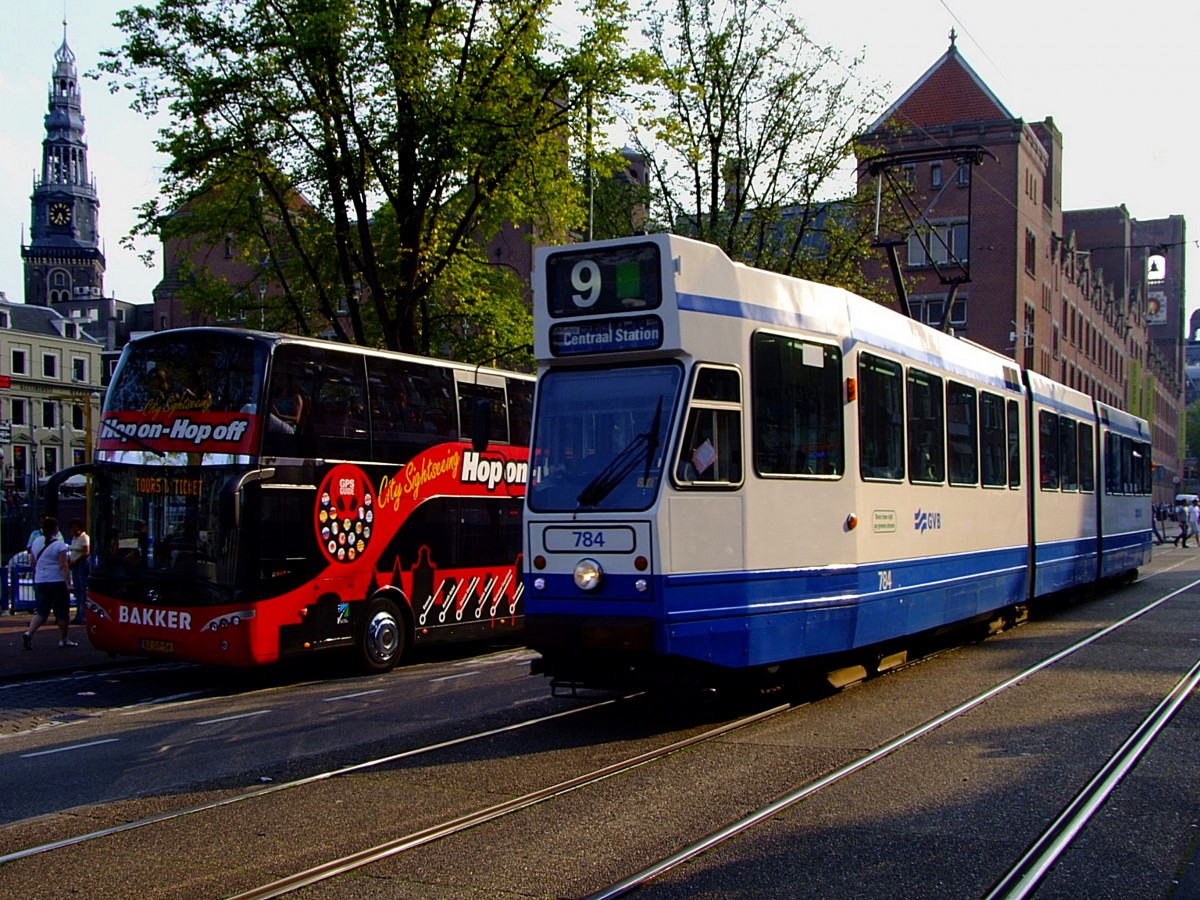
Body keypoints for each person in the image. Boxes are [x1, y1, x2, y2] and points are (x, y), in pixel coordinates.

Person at [20, 517, 74, 650]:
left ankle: (29, 632)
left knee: (41, 612)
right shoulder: (59, 545)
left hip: (41, 580)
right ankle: (63, 639)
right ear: (56, 529)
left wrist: (38, 574)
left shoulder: (36, 542)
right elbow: (63, 565)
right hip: (57, 581)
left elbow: (33, 562)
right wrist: (68, 583)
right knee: (62, 612)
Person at [67, 518, 90, 624]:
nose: (73, 530)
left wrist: (75, 562)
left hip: (81, 566)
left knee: (82, 591)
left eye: (75, 527)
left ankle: (83, 615)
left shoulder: (84, 538)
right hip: (75, 566)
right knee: (78, 592)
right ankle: (78, 615)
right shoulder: (74, 538)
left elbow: (86, 553)